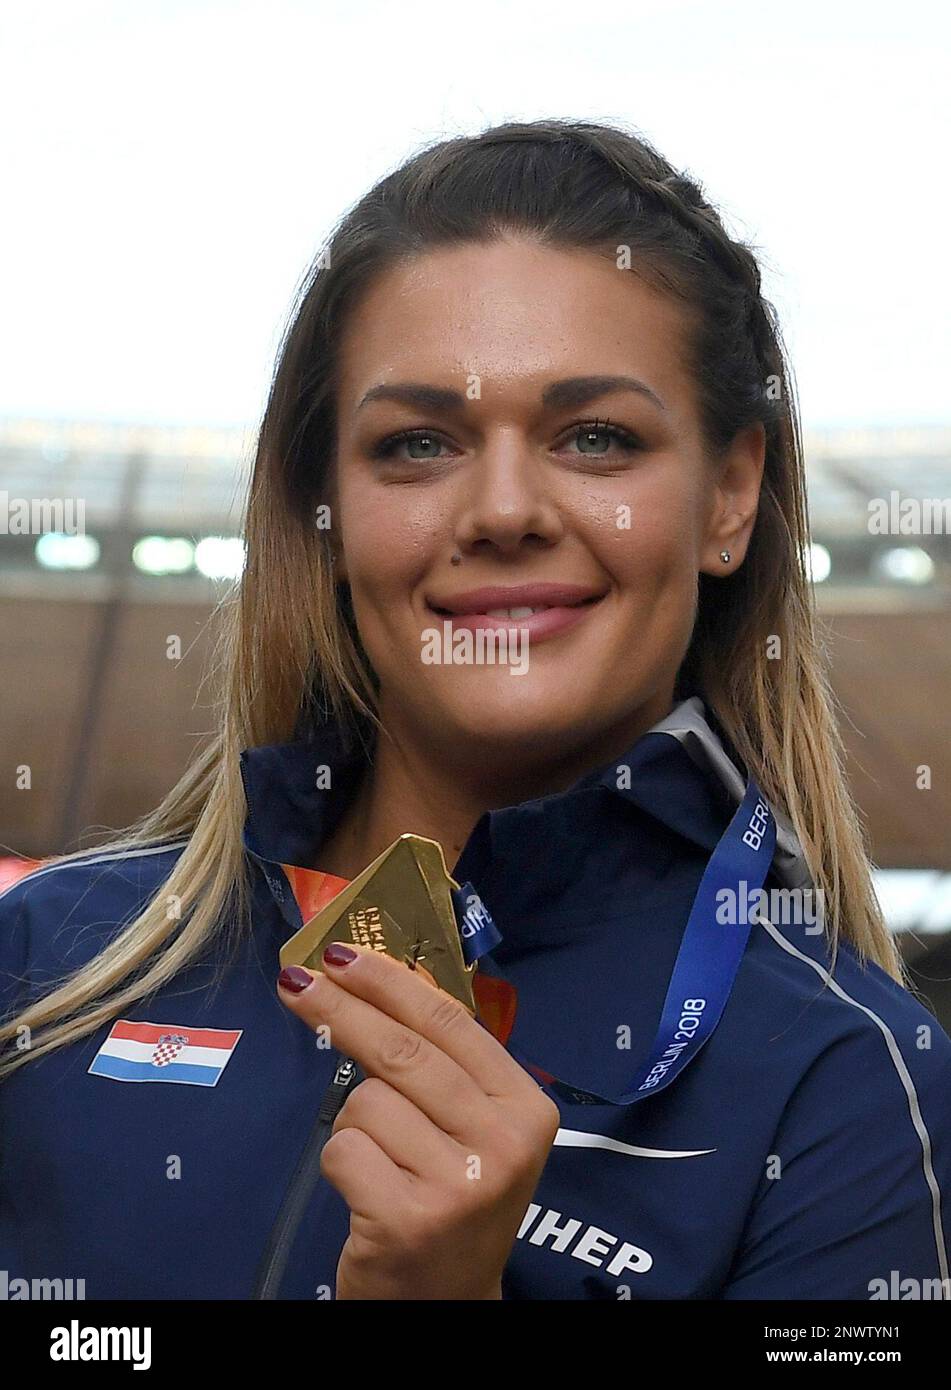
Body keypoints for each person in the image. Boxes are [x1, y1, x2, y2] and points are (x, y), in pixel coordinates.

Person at [1, 118, 949, 1302]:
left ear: (731, 496)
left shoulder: (847, 1078)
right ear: (324, 513)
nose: (503, 508)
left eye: (595, 438)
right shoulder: (48, 967)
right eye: (417, 444)